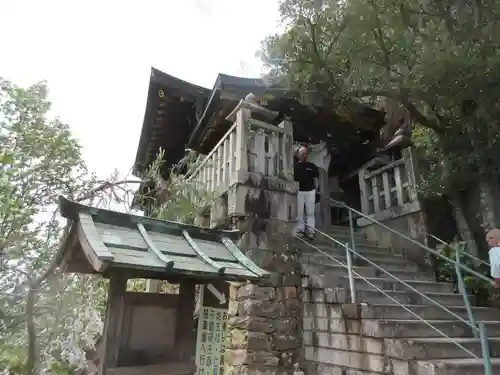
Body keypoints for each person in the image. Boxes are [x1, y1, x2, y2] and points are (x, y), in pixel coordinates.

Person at [294, 146, 319, 240]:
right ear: (298, 155)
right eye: (302, 154)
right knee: (299, 212)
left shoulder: (312, 166)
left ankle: (311, 231)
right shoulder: (295, 167)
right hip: (299, 191)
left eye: (306, 154)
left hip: (310, 191)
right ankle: (300, 230)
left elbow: (316, 179)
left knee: (310, 212)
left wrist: (316, 189)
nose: (304, 155)